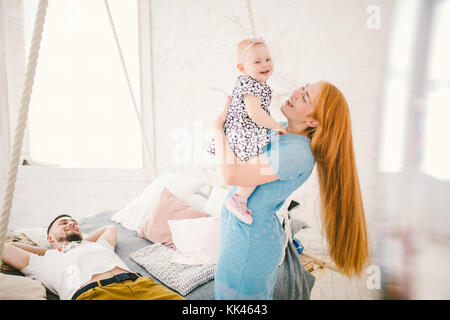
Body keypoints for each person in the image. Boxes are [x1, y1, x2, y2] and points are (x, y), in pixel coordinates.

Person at [212, 81, 370, 299]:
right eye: (303, 88)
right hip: (240, 232)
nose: (296, 93)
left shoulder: (296, 153)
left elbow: (232, 175)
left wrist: (216, 129)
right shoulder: (282, 130)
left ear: (312, 121)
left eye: (305, 97)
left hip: (251, 239)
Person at [2, 214, 184, 300]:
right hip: (96, 295)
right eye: (63, 223)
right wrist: (45, 250)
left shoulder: (98, 245)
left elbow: (109, 228)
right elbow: (5, 247)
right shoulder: (42, 261)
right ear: (49, 238)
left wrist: (79, 244)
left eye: (74, 222)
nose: (71, 223)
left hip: (144, 287)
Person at [207, 38, 287, 225]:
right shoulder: (249, 84)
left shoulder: (257, 84)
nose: (265, 64)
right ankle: (239, 199)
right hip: (243, 133)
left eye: (267, 59)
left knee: (255, 166)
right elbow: (254, 113)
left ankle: (240, 197)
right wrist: (275, 125)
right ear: (242, 68)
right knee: (256, 167)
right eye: (257, 61)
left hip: (245, 131)